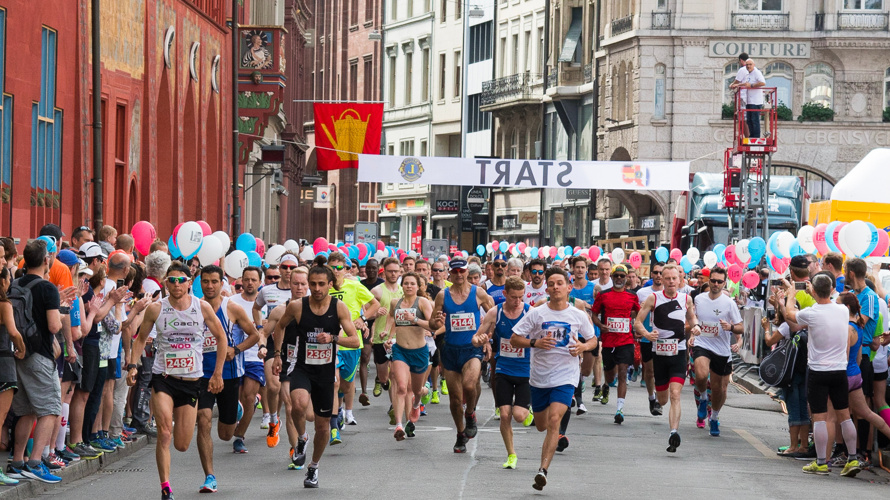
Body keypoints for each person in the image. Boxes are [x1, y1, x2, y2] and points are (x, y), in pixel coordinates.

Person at [127, 261, 228, 500]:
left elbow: (222, 338)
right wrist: (133, 365)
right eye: (171, 280)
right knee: (164, 433)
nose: (176, 284)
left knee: (182, 444)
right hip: (164, 378)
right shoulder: (156, 309)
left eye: (180, 280)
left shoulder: (201, 307)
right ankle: (165, 488)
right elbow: (140, 339)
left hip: (192, 381)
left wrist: (217, 374)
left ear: (189, 283)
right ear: (165, 283)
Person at [271, 266, 361, 488]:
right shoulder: (297, 306)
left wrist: (332, 338)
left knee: (322, 428)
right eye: (313, 284)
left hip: (325, 372)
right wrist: (277, 355)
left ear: (330, 284)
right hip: (301, 367)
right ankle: (302, 439)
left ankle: (313, 467)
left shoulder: (339, 308)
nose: (317, 288)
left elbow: (355, 340)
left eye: (322, 284)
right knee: (298, 405)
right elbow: (279, 328)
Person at [510, 267, 598, 490]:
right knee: (541, 425)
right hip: (539, 377)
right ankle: (539, 423)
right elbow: (514, 338)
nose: (556, 287)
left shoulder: (578, 315)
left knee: (553, 421)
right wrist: (535, 343)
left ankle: (543, 470)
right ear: (546, 288)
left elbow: (593, 340)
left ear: (569, 287)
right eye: (552, 283)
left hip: (566, 376)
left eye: (560, 283)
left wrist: (582, 346)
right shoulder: (537, 313)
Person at [780, 274, 862, 476]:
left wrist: (791, 294)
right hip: (839, 370)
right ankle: (852, 459)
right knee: (844, 416)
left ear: (814, 291)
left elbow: (790, 314)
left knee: (819, 418)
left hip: (818, 370)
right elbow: (828, 298)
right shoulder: (842, 310)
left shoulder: (812, 313)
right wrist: (815, 291)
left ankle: (821, 462)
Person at [195, 266, 259, 493]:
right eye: (205, 281)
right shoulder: (195, 307)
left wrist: (237, 349)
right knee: (203, 419)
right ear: (200, 283)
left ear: (222, 283)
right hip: (200, 374)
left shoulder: (232, 307)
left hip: (229, 374)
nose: (210, 286)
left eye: (214, 281)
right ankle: (209, 476)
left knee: (225, 434)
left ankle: (237, 410)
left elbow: (255, 335)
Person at [429, 258, 494, 453]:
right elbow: (433, 324)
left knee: (469, 385)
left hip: (471, 348)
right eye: (455, 271)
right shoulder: (442, 296)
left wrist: (486, 339)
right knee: (455, 399)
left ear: (467, 272)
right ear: (450, 273)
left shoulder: (478, 293)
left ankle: (471, 413)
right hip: (450, 349)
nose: (458, 275)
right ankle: (460, 434)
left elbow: (494, 316)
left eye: (462, 271)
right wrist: (436, 320)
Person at [633, 264, 701, 453]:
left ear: (680, 280)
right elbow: (638, 322)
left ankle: (673, 433)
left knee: (675, 394)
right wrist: (647, 334)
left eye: (674, 278)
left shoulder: (686, 299)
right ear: (661, 280)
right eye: (668, 278)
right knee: (663, 399)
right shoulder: (653, 298)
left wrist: (696, 327)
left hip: (679, 353)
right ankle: (656, 400)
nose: (671, 282)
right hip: (660, 354)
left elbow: (692, 318)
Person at [473, 276, 533, 469]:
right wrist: (480, 339)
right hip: (503, 369)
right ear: (505, 294)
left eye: (521, 297)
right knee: (505, 414)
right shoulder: (495, 312)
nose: (517, 302)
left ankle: (527, 413)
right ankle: (511, 454)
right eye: (513, 297)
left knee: (519, 416)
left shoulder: (530, 312)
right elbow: (475, 338)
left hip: (525, 371)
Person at [327, 252, 380, 442]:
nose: (336, 271)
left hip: (351, 343)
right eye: (332, 267)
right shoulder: (324, 287)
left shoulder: (355, 286)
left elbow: (375, 304)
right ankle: (334, 428)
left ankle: (340, 407)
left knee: (346, 385)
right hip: (330, 343)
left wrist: (361, 319)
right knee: (334, 382)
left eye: (339, 267)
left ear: (346, 269)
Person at [262, 266, 311, 470]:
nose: (299, 288)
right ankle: (296, 448)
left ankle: (303, 436)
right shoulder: (281, 310)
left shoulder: (317, 309)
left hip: (312, 364)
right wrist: (264, 348)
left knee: (310, 414)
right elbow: (264, 333)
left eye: (303, 284)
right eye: (295, 284)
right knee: (290, 406)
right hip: (288, 363)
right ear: (289, 285)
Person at [690, 266, 743, 436]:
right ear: (708, 280)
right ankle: (703, 398)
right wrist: (694, 327)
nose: (715, 284)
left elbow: (741, 327)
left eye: (719, 281)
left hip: (720, 349)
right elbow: (692, 318)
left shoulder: (729, 303)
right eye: (713, 280)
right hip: (702, 344)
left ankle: (714, 418)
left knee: (718, 388)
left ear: (724, 283)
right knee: (700, 375)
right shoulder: (698, 299)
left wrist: (731, 327)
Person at [381, 272, 433, 440]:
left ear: (418, 287)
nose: (409, 286)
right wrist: (388, 335)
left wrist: (416, 319)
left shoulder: (423, 302)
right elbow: (391, 317)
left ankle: (418, 401)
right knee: (401, 387)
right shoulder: (396, 302)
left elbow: (432, 325)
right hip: (400, 350)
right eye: (406, 283)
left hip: (419, 351)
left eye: (412, 284)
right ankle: (398, 425)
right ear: (402, 286)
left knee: (416, 390)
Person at [591, 264, 640, 424]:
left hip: (626, 340)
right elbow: (594, 314)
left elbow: (639, 312)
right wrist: (600, 326)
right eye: (616, 276)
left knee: (623, 372)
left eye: (622, 276)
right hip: (609, 341)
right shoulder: (603, 295)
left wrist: (636, 321)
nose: (619, 278)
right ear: (612, 278)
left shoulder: (632, 296)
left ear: (626, 278)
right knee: (611, 375)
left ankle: (619, 409)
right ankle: (606, 385)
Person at [253, 257, 295, 445]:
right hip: (271, 342)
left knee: (289, 396)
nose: (288, 270)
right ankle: (272, 419)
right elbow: (256, 307)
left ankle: (276, 416)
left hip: (294, 346)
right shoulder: (268, 290)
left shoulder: (305, 291)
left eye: (292, 267)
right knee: (273, 386)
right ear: (280, 268)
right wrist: (259, 327)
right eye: (284, 267)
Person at [230, 266, 267, 453]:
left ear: (260, 282)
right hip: (234, 355)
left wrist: (263, 346)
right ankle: (235, 424)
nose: (250, 283)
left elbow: (266, 331)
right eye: (246, 279)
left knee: (249, 397)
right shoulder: (231, 302)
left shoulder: (264, 305)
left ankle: (239, 437)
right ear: (242, 281)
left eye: (254, 279)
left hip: (255, 356)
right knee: (237, 399)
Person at [369, 258, 403, 424]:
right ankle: (380, 380)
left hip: (399, 338)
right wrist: (375, 312)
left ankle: (393, 405)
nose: (393, 274)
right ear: (384, 271)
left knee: (396, 374)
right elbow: (366, 311)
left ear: (400, 272)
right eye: (390, 271)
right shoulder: (377, 291)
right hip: (380, 338)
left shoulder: (405, 291)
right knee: (385, 378)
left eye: (396, 271)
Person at [0, 267, 25, 485]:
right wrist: (22, 347)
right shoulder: (4, 304)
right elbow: (14, 332)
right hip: (4, 362)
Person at [636, 261, 664, 416]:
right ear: (651, 275)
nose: (658, 275)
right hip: (647, 337)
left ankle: (659, 399)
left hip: (664, 338)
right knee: (650, 371)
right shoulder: (642, 293)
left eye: (661, 273)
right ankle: (651, 398)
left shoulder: (670, 292)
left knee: (661, 371)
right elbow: (636, 316)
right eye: (656, 273)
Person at [358, 258, 384, 406]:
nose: (371, 271)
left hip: (380, 322)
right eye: (368, 268)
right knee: (365, 356)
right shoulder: (360, 285)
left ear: (378, 268)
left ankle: (379, 378)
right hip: (365, 321)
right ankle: (364, 392)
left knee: (379, 359)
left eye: (374, 268)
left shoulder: (382, 284)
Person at [740, 58, 766, 139]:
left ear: (753, 65)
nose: (748, 66)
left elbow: (762, 82)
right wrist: (737, 85)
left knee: (754, 120)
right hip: (749, 101)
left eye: (750, 64)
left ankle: (756, 137)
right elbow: (746, 83)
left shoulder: (757, 73)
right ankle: (752, 136)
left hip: (756, 101)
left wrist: (751, 86)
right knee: (749, 120)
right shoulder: (748, 74)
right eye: (747, 65)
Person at [728, 52, 750, 137]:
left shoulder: (742, 69)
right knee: (747, 118)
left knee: (742, 118)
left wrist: (731, 85)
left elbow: (737, 81)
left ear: (741, 60)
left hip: (743, 97)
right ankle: (749, 136)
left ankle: (747, 137)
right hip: (749, 97)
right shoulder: (751, 69)